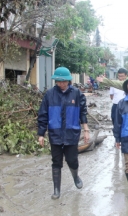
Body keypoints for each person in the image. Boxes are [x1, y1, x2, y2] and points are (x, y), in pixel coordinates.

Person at [37, 67, 90, 200]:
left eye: (64, 81)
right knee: (56, 161)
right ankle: (56, 190)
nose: (61, 84)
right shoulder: (49, 95)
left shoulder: (77, 94)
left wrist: (86, 130)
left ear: (69, 81)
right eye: (58, 81)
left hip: (71, 133)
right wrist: (41, 134)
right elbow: (43, 115)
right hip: (55, 133)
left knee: (72, 160)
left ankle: (75, 176)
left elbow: (83, 112)